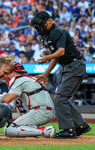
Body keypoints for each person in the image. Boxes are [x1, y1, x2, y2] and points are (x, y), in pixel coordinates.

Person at [31, 11, 91, 139]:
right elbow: (56, 56)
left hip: (74, 66)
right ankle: (81, 125)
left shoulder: (58, 32)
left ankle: (68, 130)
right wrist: (46, 74)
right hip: (70, 67)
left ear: (49, 21)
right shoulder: (50, 34)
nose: (39, 29)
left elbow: (61, 52)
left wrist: (47, 57)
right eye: (37, 27)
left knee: (59, 98)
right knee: (61, 99)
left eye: (40, 25)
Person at [0, 63, 55, 138]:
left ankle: (45, 131)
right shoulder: (26, 79)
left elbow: (7, 99)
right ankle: (31, 129)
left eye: (7, 73)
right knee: (17, 100)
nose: (6, 76)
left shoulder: (19, 80)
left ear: (13, 73)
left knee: (10, 129)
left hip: (41, 111)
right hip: (44, 110)